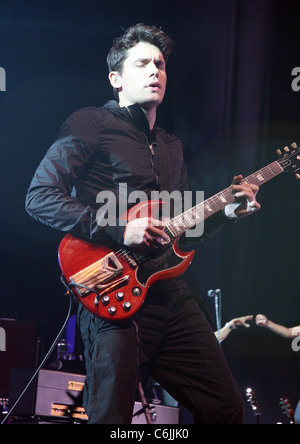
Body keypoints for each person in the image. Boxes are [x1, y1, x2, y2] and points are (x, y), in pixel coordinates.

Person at [25, 24, 261, 424]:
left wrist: (227, 212)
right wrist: (121, 230)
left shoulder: (171, 145)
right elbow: (40, 196)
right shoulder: (91, 123)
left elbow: (183, 228)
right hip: (110, 291)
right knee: (110, 418)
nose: (155, 71)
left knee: (227, 408)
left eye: (161, 64)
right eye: (143, 63)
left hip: (169, 294)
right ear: (116, 78)